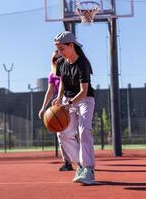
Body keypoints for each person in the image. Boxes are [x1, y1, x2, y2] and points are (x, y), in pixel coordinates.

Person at [52, 31, 96, 185]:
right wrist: (59, 97)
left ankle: (89, 170)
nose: (59, 53)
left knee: (84, 131)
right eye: (58, 49)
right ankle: (81, 165)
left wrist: (68, 104)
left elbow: (83, 91)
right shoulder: (61, 63)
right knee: (63, 134)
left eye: (62, 49)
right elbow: (63, 81)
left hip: (85, 100)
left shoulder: (83, 63)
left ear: (71, 46)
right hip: (67, 100)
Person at [38, 50, 74, 171]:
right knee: (60, 133)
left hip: (71, 100)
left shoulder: (68, 69)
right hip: (60, 105)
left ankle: (82, 161)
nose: (57, 60)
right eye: (55, 59)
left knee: (77, 134)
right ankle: (67, 162)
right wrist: (43, 107)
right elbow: (49, 91)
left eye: (59, 58)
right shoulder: (52, 74)